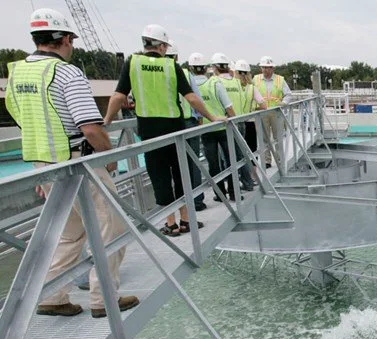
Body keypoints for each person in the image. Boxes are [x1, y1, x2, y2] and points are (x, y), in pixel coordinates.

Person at [5, 8, 138, 318]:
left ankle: (52, 296)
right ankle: (104, 299)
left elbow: (26, 121)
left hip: (46, 166)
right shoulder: (66, 72)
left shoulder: (17, 74)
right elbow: (90, 127)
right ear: (65, 39)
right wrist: (108, 157)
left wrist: (42, 170)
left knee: (69, 233)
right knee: (112, 228)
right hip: (79, 164)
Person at [103, 24, 223, 237]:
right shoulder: (171, 66)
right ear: (161, 46)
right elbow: (191, 97)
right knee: (180, 174)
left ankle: (171, 223)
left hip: (150, 132)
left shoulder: (132, 63)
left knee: (160, 177)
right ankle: (186, 220)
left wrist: (107, 121)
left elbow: (119, 96)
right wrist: (212, 117)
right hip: (175, 130)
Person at [190, 53, 237, 202]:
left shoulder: (189, 88)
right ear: (206, 68)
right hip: (223, 128)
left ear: (191, 68)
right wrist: (235, 123)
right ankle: (234, 193)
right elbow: (228, 107)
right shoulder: (215, 84)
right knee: (230, 161)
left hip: (205, 130)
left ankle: (220, 194)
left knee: (213, 164)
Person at [165, 40, 206, 211]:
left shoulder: (151, 73)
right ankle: (196, 201)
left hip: (164, 126)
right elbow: (195, 98)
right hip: (188, 123)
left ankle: (176, 206)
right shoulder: (185, 74)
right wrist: (202, 117)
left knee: (170, 166)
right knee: (192, 162)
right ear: (176, 57)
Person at [211, 53, 253, 192]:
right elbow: (243, 100)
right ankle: (248, 182)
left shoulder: (215, 82)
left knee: (228, 158)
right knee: (241, 154)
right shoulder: (236, 82)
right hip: (240, 121)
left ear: (214, 67)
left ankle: (233, 188)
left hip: (227, 123)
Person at [252, 56, 292, 168]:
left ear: (272, 68)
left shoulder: (280, 80)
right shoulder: (255, 79)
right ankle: (267, 161)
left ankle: (279, 159)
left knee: (278, 137)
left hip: (276, 112)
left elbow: (288, 95)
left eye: (268, 67)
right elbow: (250, 94)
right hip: (261, 112)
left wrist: (283, 103)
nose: (265, 70)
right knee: (264, 138)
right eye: (263, 67)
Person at [234, 59, 267, 186]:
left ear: (236, 72)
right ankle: (253, 177)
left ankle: (239, 179)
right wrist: (252, 110)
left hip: (235, 123)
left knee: (237, 152)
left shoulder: (233, 87)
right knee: (252, 150)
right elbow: (263, 106)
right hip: (249, 121)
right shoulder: (252, 88)